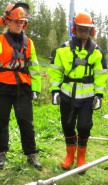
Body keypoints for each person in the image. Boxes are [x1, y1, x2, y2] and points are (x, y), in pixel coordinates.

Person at [48, 12, 108, 172]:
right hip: (66, 95)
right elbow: (55, 71)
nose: (83, 32)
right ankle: (69, 156)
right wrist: (55, 91)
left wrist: (99, 95)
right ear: (74, 29)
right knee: (67, 125)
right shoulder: (63, 49)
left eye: (86, 29)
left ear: (91, 31)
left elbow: (101, 75)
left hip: (87, 98)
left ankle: (81, 158)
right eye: (80, 29)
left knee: (84, 126)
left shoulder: (97, 51)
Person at [0, 3, 42, 170]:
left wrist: (36, 89)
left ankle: (31, 154)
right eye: (16, 21)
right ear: (8, 21)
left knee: (26, 122)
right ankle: (1, 153)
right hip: (2, 87)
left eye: (22, 22)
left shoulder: (28, 42)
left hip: (23, 88)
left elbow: (34, 67)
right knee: (1, 121)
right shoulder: (1, 40)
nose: (20, 25)